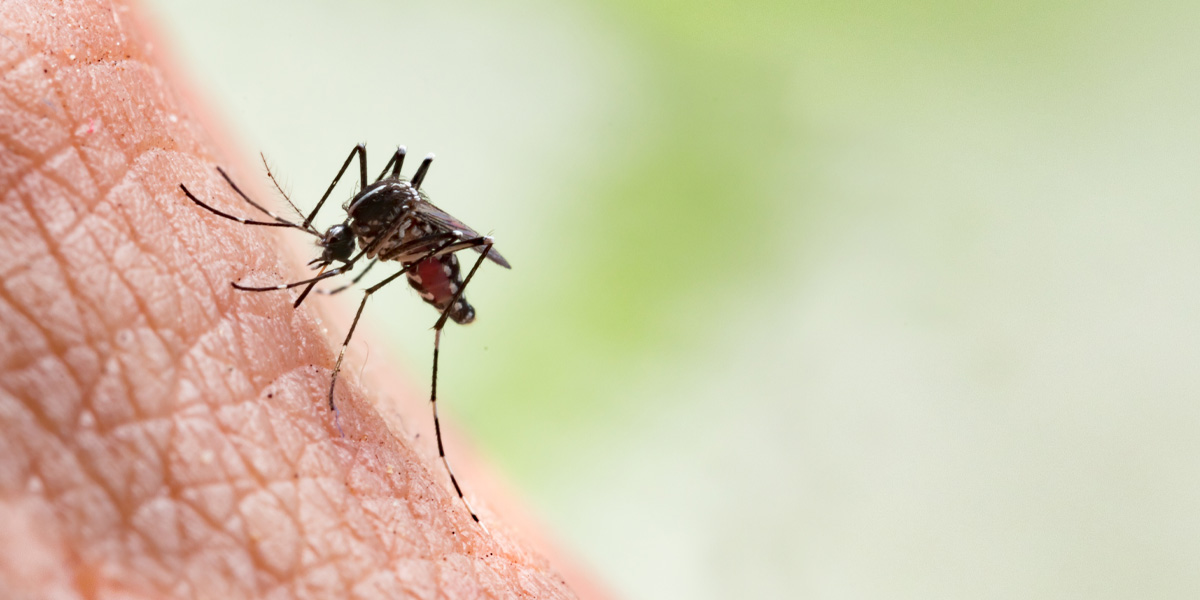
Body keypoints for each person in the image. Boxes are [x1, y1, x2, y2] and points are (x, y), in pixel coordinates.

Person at [0, 2, 603, 597]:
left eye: (335, 246)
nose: (331, 250)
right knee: (375, 181)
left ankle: (434, 359)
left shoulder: (387, 234)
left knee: (409, 252)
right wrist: (321, 241)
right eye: (335, 244)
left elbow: (402, 238)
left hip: (431, 251)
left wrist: (361, 290)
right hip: (396, 232)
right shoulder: (356, 220)